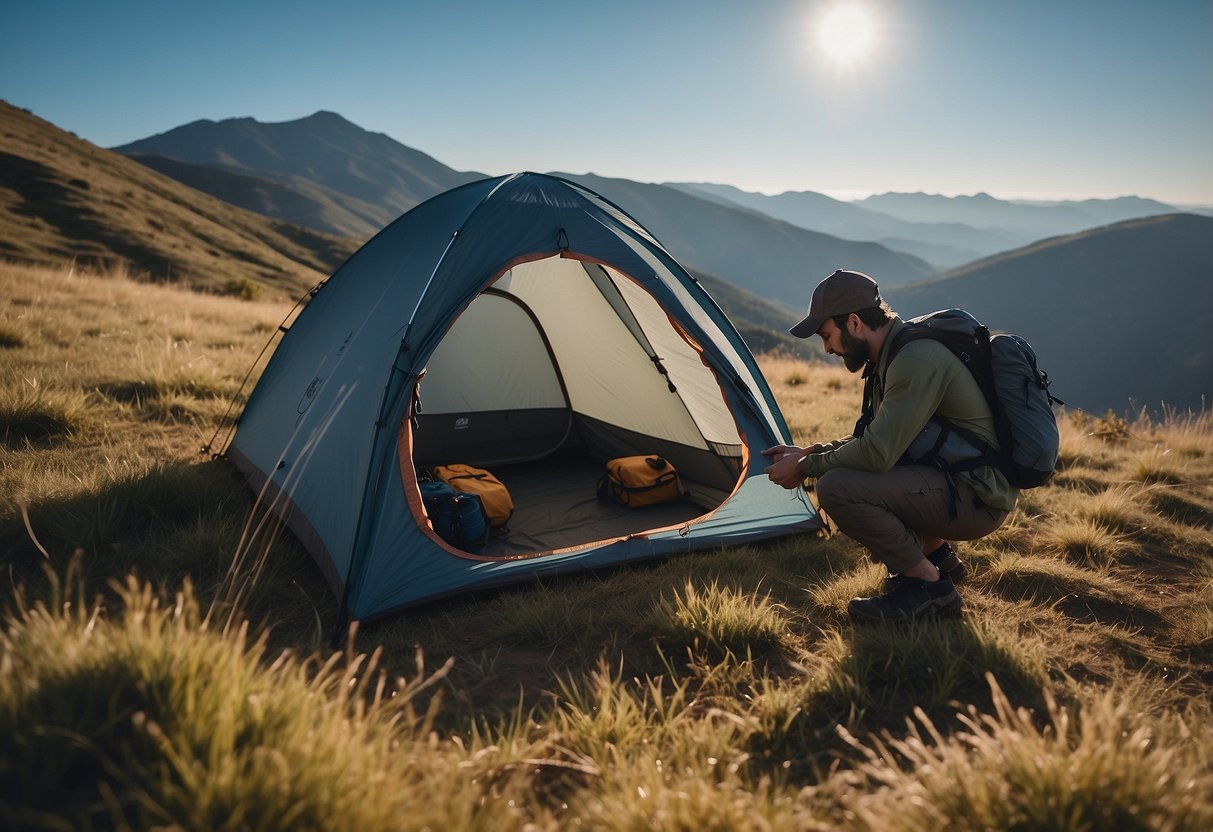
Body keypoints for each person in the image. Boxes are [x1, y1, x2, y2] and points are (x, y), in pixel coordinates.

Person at [763, 269, 1017, 622]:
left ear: (853, 322)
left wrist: (806, 468)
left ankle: (929, 587)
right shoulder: (894, 352)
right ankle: (939, 559)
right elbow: (879, 438)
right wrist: (812, 452)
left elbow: (878, 453)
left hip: (978, 498)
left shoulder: (913, 360)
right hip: (960, 482)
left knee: (837, 487)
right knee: (849, 470)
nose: (827, 349)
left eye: (827, 335)